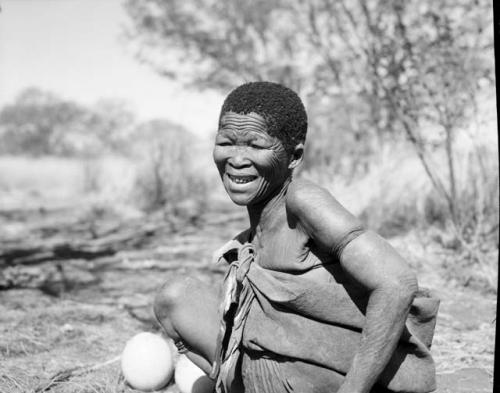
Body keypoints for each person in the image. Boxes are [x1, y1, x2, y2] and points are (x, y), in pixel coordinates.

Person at [154, 82, 439, 393]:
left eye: (255, 145)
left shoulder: (302, 200)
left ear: (294, 155)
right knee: (175, 298)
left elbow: (397, 282)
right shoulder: (257, 225)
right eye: (226, 143)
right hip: (265, 371)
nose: (236, 158)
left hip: (326, 377)